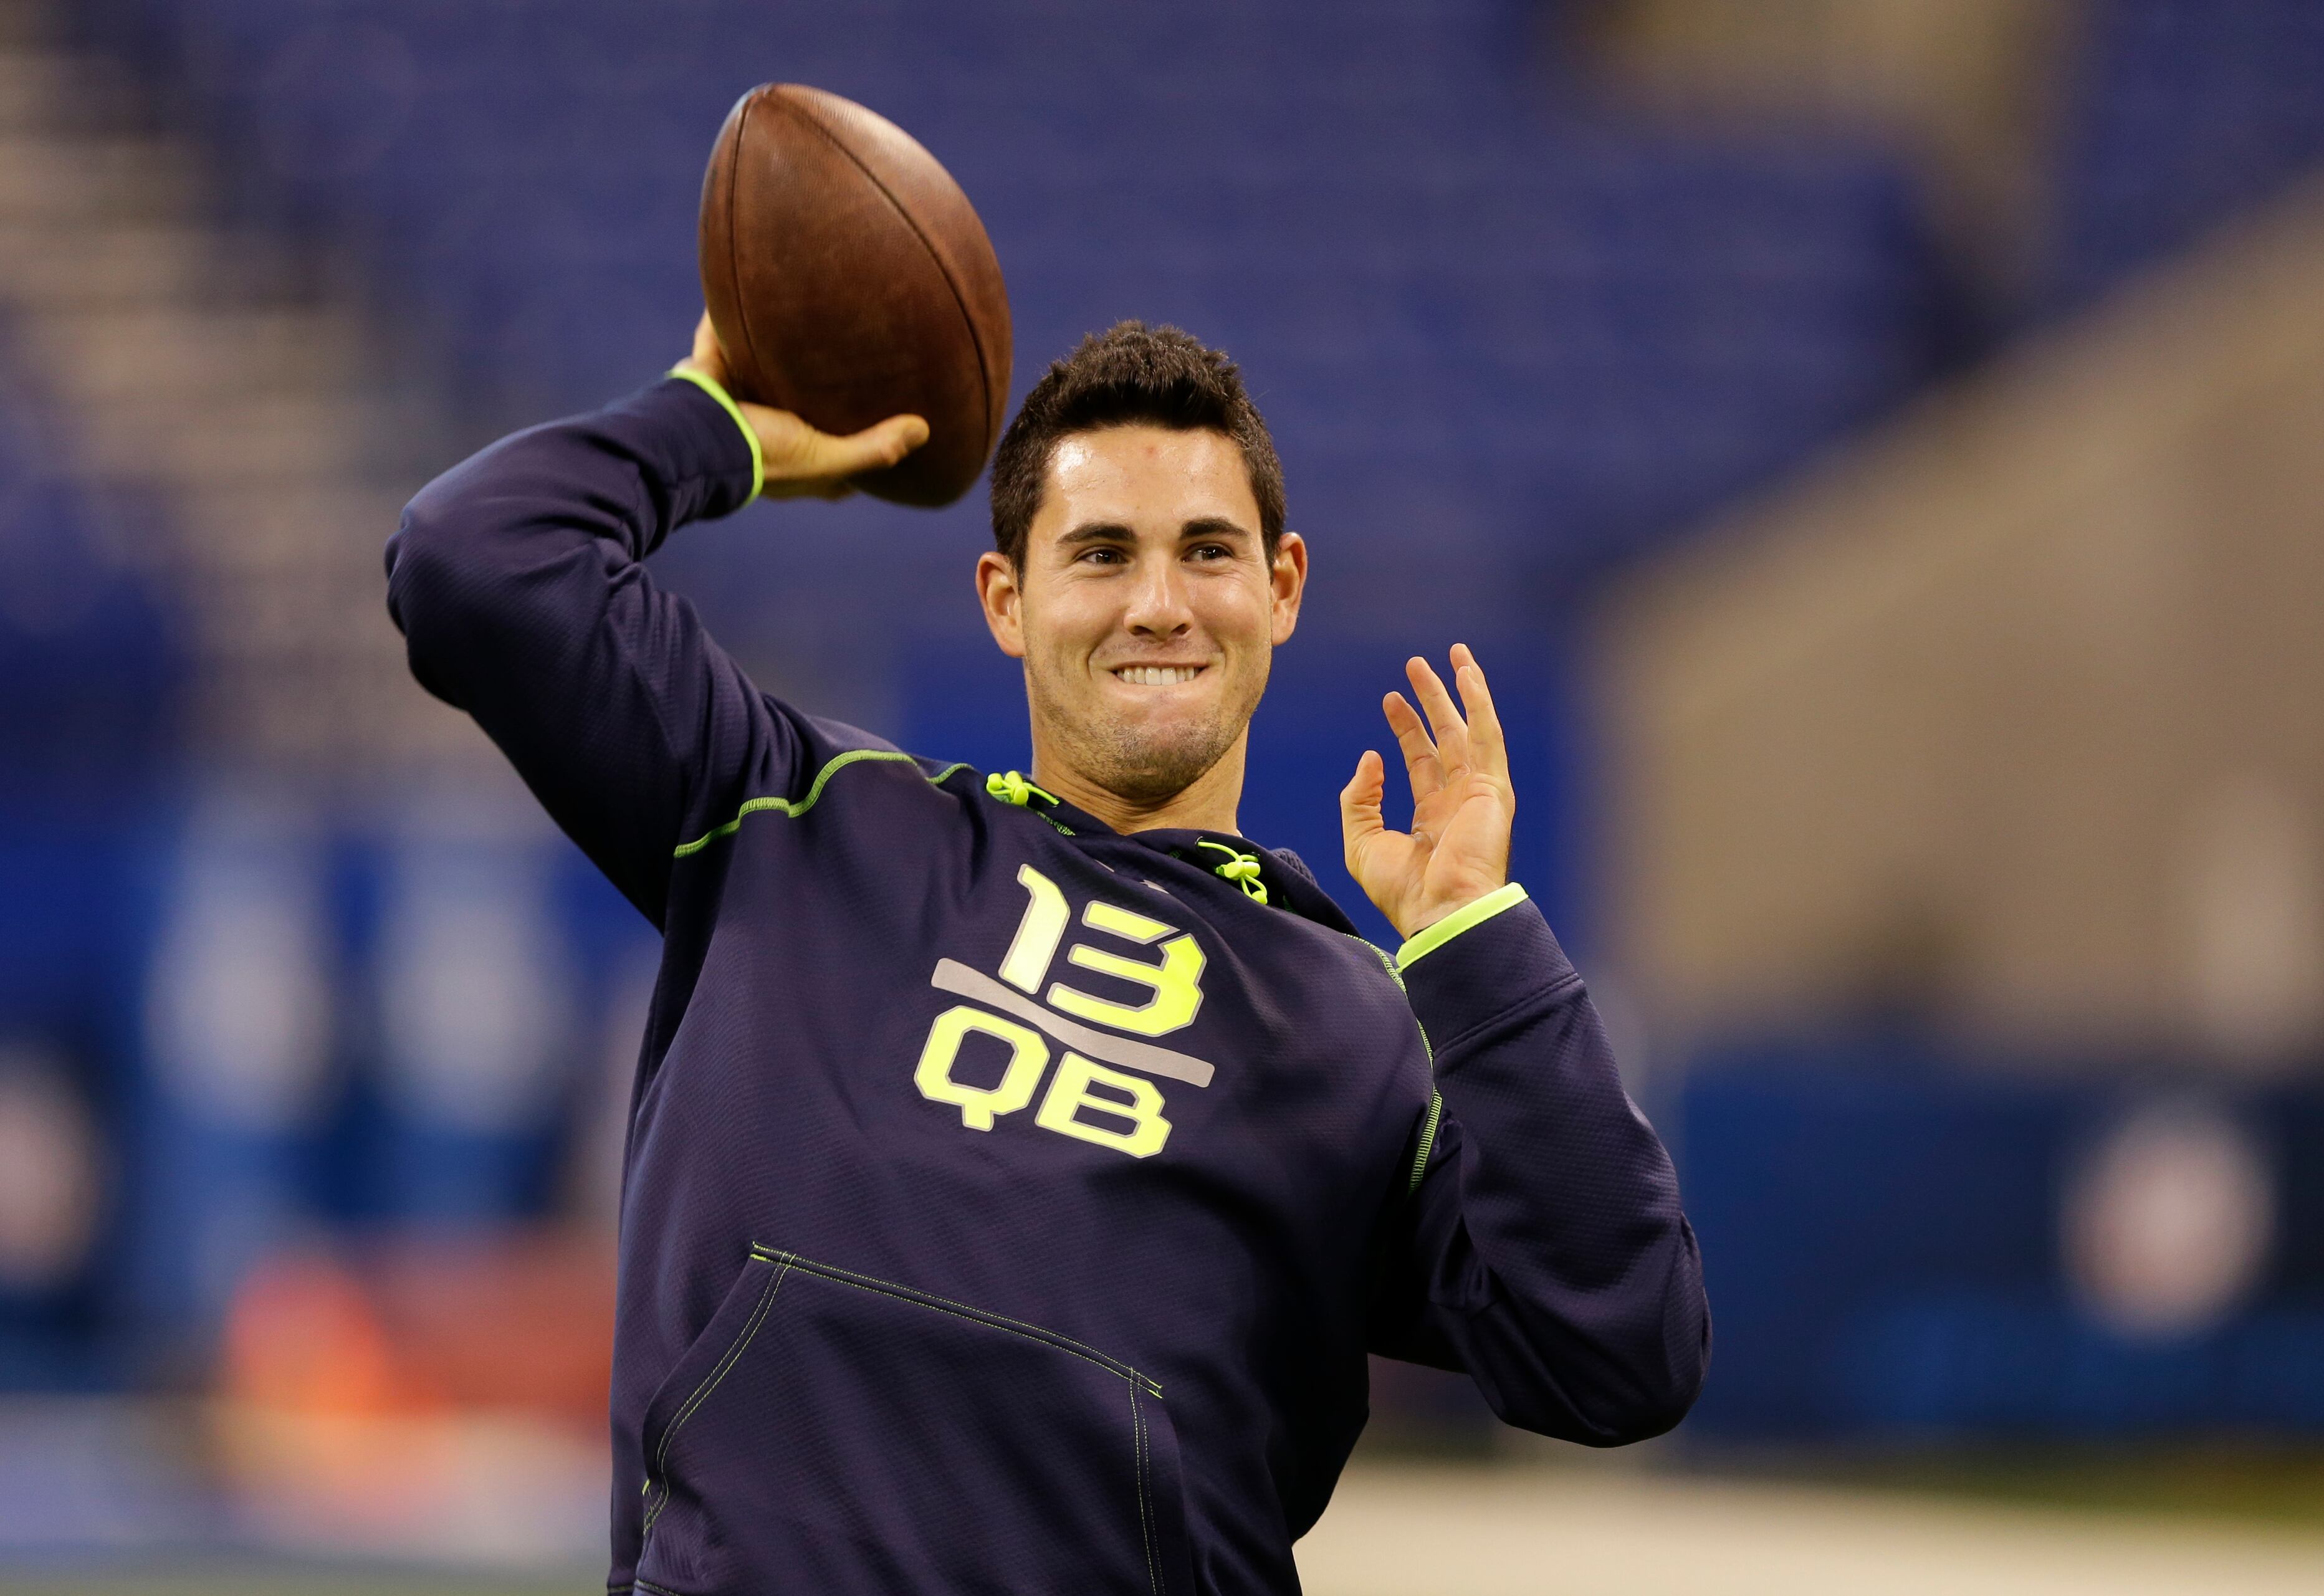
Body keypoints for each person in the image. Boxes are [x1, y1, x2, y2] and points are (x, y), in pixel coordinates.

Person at [385, 316, 1708, 1596]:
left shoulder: (1364, 1030)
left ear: (1280, 587)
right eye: (1100, 554)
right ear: (1007, 600)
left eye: (1206, 551)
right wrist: (709, 427)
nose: (1158, 604)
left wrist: (1477, 941)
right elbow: (472, 563)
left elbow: (1621, 1357)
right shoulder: (794, 814)